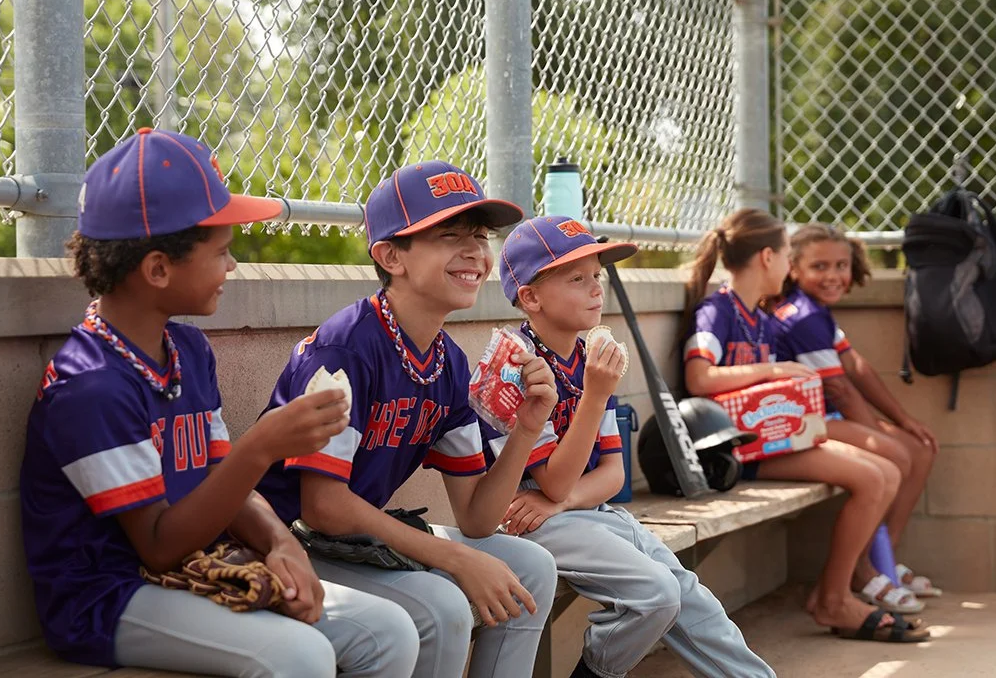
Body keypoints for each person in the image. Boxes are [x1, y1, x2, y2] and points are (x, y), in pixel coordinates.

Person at [20, 128, 418, 678]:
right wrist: (261, 447)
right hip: (108, 598)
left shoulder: (186, 348)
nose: (231, 268)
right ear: (158, 269)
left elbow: (220, 479)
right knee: (298, 656)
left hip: (197, 562)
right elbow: (156, 546)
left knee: (387, 632)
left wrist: (281, 543)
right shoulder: (89, 384)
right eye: (222, 252)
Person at [255, 161, 559, 678]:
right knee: (440, 606)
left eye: (480, 236)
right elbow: (322, 506)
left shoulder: (447, 360)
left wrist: (527, 428)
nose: (475, 253)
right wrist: (456, 560)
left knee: (533, 566)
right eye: (449, 235)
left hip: (347, 538)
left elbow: (478, 519)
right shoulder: (346, 349)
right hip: (287, 538)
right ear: (390, 255)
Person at [487, 215, 777, 678]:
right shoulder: (517, 366)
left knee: (688, 594)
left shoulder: (587, 356)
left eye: (596, 276)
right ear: (531, 297)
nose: (595, 289)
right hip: (527, 524)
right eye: (576, 278)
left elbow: (612, 476)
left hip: (575, 512)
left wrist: (563, 502)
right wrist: (596, 394)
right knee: (656, 593)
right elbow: (554, 480)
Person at [681, 208, 928, 642]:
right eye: (784, 255)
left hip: (771, 439)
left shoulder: (757, 315)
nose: (787, 266)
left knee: (885, 471)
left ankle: (837, 592)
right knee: (876, 477)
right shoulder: (717, 309)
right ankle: (834, 598)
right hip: (732, 454)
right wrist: (772, 373)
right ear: (767, 258)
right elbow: (699, 377)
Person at [773, 222, 941, 598]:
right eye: (820, 267)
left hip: (828, 417)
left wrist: (903, 420)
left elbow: (855, 368)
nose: (833, 276)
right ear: (793, 269)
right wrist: (881, 436)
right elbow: (842, 392)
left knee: (922, 448)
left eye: (840, 266)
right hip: (804, 422)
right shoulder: (803, 316)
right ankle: (863, 571)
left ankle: (883, 561)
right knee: (898, 455)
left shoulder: (817, 311)